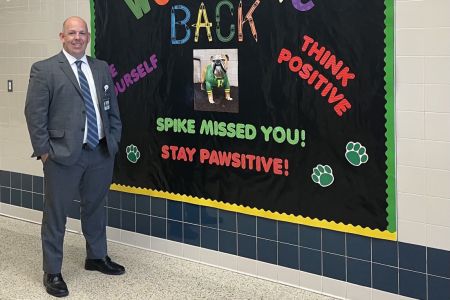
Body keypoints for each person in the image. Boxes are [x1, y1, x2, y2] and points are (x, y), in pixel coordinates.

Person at [24, 16, 124, 298]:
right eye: (72, 33)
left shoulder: (100, 68)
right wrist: (45, 152)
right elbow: (34, 115)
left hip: (100, 152)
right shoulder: (44, 70)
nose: (77, 37)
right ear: (62, 36)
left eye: (82, 33)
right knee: (56, 215)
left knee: (95, 207)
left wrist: (113, 140)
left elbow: (111, 108)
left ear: (88, 36)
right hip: (62, 156)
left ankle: (96, 257)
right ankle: (52, 271)